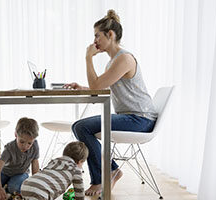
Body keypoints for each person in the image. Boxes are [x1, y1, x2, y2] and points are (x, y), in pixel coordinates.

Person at [64, 9, 158, 196]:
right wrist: (83, 87)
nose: (94, 41)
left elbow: (97, 85)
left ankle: (103, 176)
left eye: (97, 36)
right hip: (131, 117)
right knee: (80, 126)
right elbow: (100, 87)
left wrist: (88, 57)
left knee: (81, 127)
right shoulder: (114, 62)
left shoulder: (124, 58)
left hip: (140, 119)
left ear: (111, 35)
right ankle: (112, 170)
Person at [0, 117, 40, 200]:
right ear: (16, 134)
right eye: (22, 142)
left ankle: (7, 185)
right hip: (5, 172)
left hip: (22, 173)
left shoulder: (35, 145)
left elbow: (35, 165)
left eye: (29, 143)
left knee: (14, 188)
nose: (25, 146)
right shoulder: (9, 148)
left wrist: (36, 183)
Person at [20, 141, 89, 200]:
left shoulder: (54, 162)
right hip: (41, 191)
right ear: (80, 161)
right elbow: (79, 192)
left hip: (27, 184)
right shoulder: (75, 170)